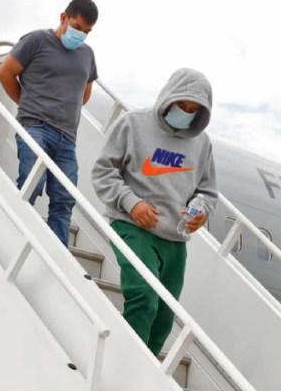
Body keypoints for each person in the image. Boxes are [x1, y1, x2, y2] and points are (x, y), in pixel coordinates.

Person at [91, 69, 218, 356]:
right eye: (182, 106)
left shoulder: (202, 143)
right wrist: (131, 201)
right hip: (133, 225)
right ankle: (125, 364)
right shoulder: (133, 125)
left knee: (163, 318)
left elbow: (208, 191)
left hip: (175, 238)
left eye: (193, 110)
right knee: (143, 297)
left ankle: (144, 374)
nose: (185, 112)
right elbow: (103, 171)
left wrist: (203, 211)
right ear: (169, 97)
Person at [0, 0, 99, 246]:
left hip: (67, 139)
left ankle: (57, 259)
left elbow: (84, 93)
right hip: (35, 127)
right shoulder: (36, 40)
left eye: (86, 32)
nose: (81, 35)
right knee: (32, 183)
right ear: (63, 18)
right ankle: (14, 241)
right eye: (77, 27)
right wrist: (27, 103)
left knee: (64, 201)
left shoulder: (87, 54)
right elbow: (5, 72)